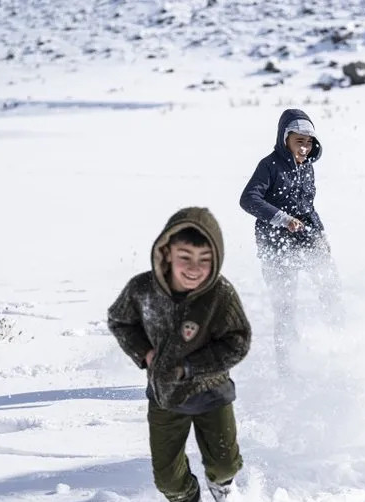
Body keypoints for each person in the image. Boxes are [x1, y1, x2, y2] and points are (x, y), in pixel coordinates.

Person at [108, 207, 251, 501]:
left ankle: (222, 486)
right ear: (167, 253)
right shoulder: (142, 289)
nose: (194, 269)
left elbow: (237, 340)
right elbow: (120, 320)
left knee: (224, 465)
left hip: (212, 391)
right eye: (185, 257)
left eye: (204, 260)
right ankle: (189, 497)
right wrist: (144, 352)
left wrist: (191, 367)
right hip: (166, 395)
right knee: (168, 482)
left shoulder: (220, 293)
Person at [240, 108, 341, 374]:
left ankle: (342, 351)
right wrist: (282, 219)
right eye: (299, 142)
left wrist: (320, 237)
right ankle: (288, 370)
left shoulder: (307, 168)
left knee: (331, 289)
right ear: (285, 139)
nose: (305, 148)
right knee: (285, 308)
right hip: (275, 244)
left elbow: (308, 206)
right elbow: (248, 199)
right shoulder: (269, 165)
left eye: (309, 143)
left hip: (305, 237)